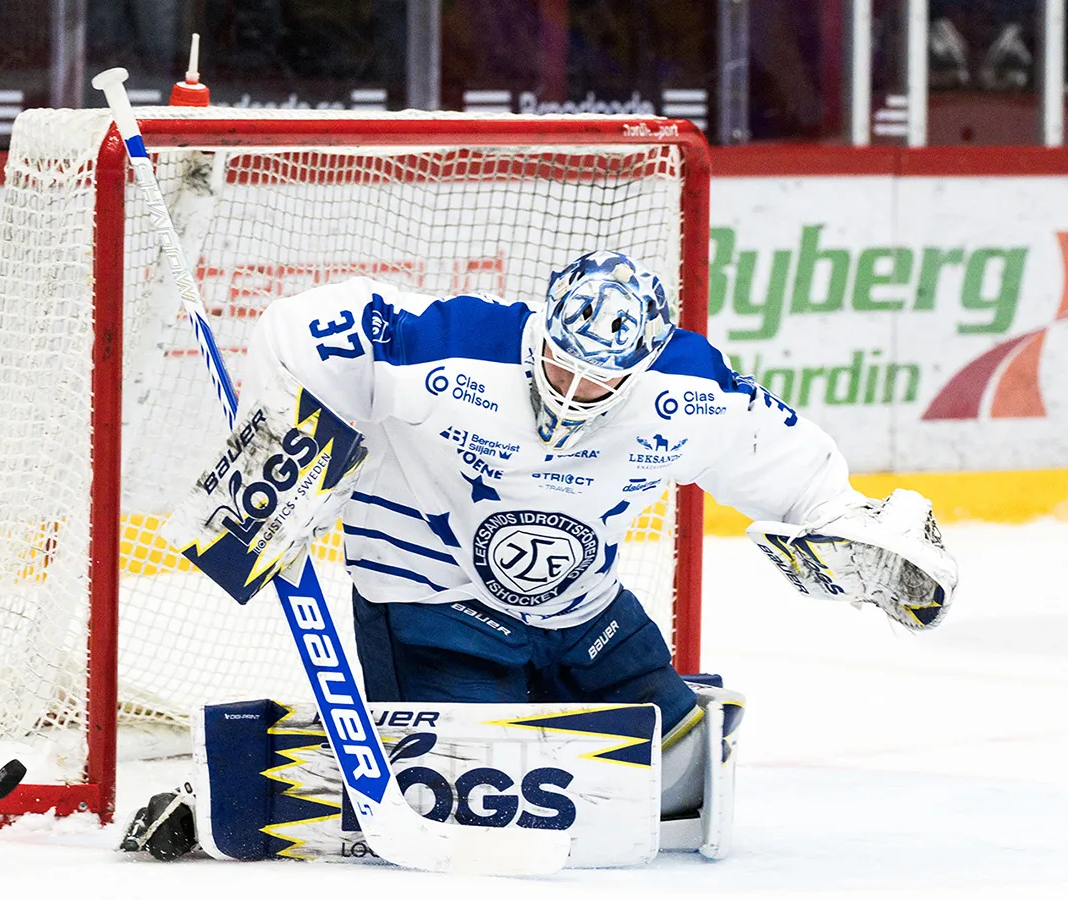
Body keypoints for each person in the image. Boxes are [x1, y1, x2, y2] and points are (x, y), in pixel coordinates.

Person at [126, 249, 955, 862]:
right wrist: (292, 449)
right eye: (560, 361)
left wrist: (845, 523)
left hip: (584, 609)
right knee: (477, 789)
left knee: (678, 771)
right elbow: (298, 327)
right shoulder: (446, 346)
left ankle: (467, 718)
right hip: (431, 601)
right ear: (539, 331)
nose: (571, 388)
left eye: (599, 379)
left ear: (641, 368)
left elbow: (792, 465)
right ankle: (229, 779)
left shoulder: (690, 390)